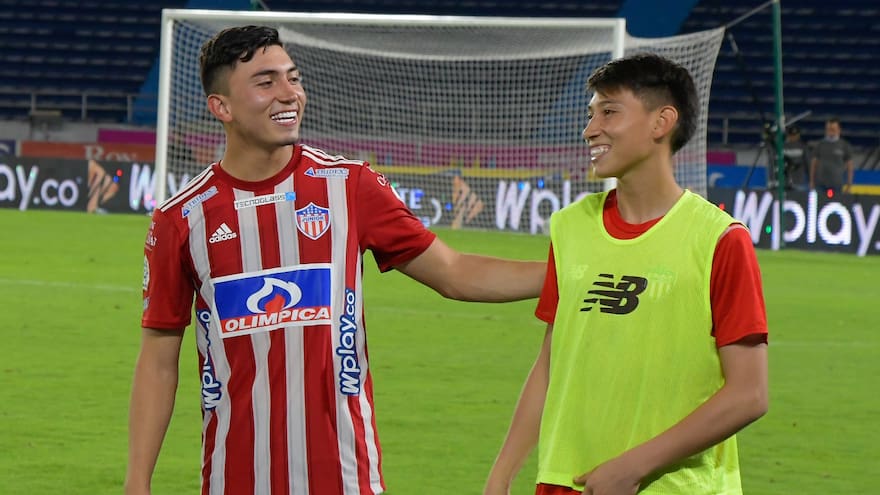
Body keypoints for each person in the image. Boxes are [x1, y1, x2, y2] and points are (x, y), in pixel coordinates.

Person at [125, 25, 546, 495]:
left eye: (293, 78)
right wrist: (137, 481)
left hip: (346, 477)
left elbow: (454, 272)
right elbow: (159, 359)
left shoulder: (349, 185)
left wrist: (565, 276)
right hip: (235, 477)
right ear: (221, 106)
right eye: (266, 82)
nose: (289, 94)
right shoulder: (181, 218)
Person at [484, 53, 769, 495]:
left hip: (670, 486)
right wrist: (501, 476)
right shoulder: (570, 226)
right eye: (591, 113)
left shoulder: (720, 240)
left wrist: (634, 465)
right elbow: (550, 363)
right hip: (564, 482)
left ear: (662, 123)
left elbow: (749, 394)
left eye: (609, 112)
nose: (590, 129)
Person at [809, 117, 854, 194]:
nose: (830, 132)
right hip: (820, 184)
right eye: (828, 129)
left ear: (839, 130)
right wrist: (811, 181)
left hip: (837, 184)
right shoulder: (820, 144)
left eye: (833, 129)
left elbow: (850, 166)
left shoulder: (844, 145)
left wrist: (849, 184)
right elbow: (814, 164)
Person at [781, 125, 809, 190]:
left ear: (798, 135)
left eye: (795, 135)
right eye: (791, 135)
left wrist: (810, 180)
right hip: (785, 181)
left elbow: (808, 163)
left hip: (800, 180)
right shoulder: (782, 147)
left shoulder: (803, 147)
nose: (793, 137)